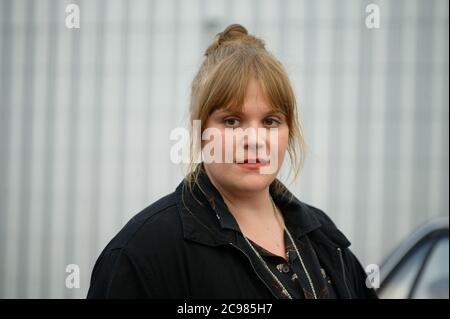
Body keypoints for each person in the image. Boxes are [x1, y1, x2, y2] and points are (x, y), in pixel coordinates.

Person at [87, 23, 378, 299]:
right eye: (232, 121)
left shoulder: (322, 236)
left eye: (270, 121)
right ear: (200, 130)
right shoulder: (143, 253)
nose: (254, 139)